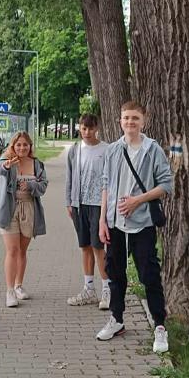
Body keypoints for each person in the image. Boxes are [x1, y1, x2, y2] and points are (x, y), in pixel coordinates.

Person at [97, 101, 173, 354]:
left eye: (135, 118)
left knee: (149, 274)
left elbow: (166, 185)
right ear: (120, 121)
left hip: (143, 224)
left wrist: (137, 201)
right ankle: (117, 319)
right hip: (115, 223)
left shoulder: (153, 150)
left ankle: (159, 326)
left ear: (143, 121)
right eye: (126, 118)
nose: (130, 122)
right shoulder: (113, 150)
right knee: (115, 273)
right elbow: (106, 185)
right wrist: (102, 220)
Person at [0, 130, 48, 307]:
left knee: (22, 251)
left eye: (25, 145)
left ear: (30, 146)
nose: (22, 148)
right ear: (13, 146)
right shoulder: (7, 160)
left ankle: (19, 285)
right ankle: (9, 291)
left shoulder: (37, 164)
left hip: (29, 208)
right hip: (9, 209)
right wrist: (6, 166)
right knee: (12, 250)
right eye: (18, 145)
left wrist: (31, 185)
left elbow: (43, 185)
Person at [65, 113, 110, 309]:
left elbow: (110, 179)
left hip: (98, 205)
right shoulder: (75, 150)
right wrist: (69, 201)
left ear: (97, 128)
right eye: (84, 128)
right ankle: (89, 289)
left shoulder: (106, 149)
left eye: (91, 128)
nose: (87, 132)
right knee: (85, 246)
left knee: (98, 247)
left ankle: (108, 290)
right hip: (79, 204)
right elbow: (69, 176)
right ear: (79, 128)